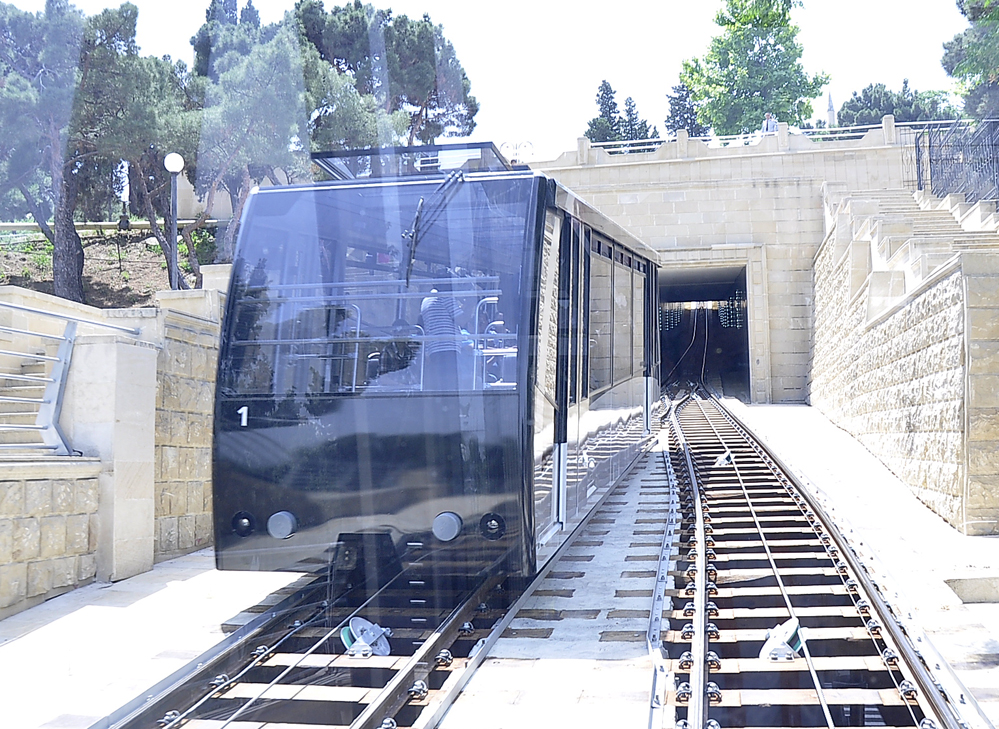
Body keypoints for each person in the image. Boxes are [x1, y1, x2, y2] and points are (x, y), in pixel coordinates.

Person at [420, 287, 462, 390]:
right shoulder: (445, 296)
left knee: (440, 387)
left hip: (434, 349)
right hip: (448, 348)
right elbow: (461, 320)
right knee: (451, 387)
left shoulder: (426, 300)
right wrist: (470, 304)